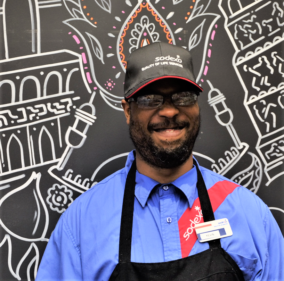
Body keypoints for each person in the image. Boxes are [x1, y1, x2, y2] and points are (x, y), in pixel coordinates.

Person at [36, 42, 284, 281]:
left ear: (198, 105)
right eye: (150, 98)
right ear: (127, 110)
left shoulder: (250, 214)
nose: (169, 111)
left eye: (183, 96)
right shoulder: (81, 225)